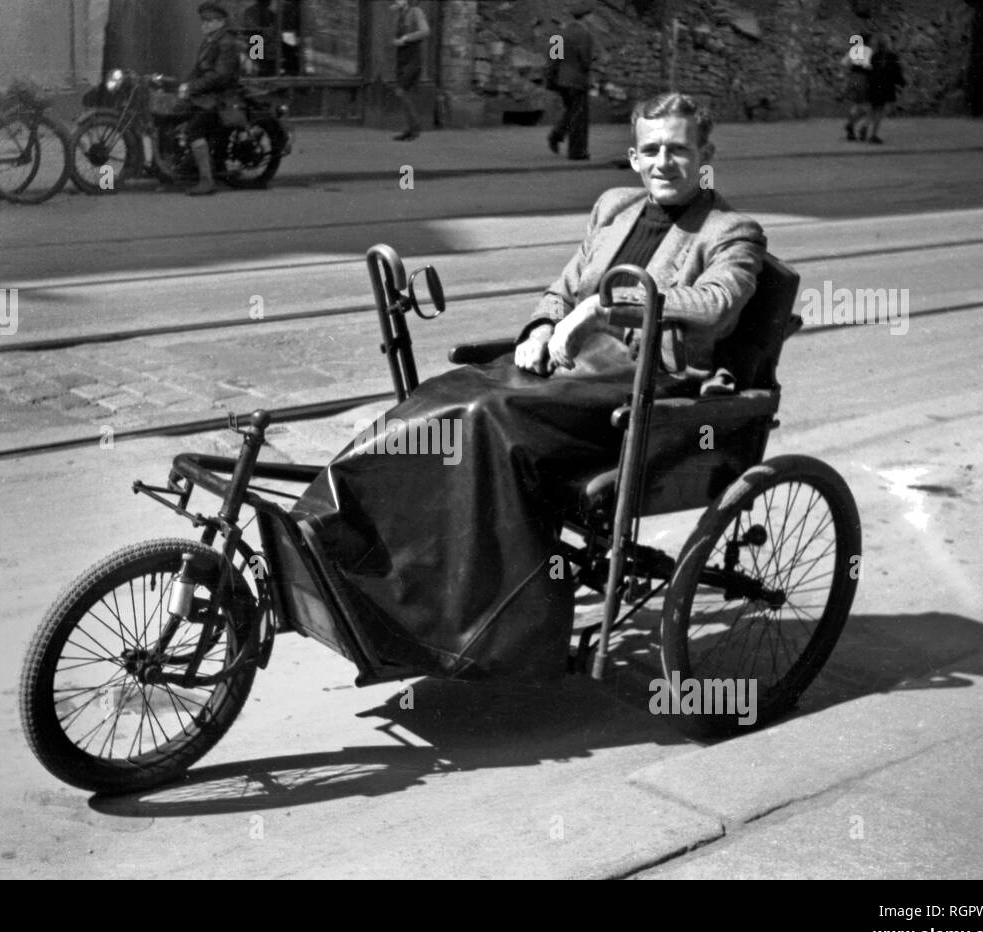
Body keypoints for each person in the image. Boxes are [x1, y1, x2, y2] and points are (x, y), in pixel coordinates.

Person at [294, 92, 766, 681]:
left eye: (679, 149)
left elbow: (717, 304)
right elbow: (561, 289)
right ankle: (338, 536)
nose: (664, 162)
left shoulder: (729, 231)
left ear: (706, 154)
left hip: (640, 385)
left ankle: (489, 627)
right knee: (448, 394)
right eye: (652, 150)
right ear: (634, 158)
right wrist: (543, 326)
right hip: (567, 366)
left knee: (484, 412)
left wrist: (602, 308)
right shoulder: (615, 208)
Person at [182, 2, 242, 196]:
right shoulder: (210, 41)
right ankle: (188, 163)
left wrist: (192, 87)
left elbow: (220, 76)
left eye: (209, 21)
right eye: (203, 21)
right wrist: (182, 85)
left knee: (194, 129)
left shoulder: (226, 43)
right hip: (208, 95)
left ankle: (207, 181)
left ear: (221, 22)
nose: (204, 25)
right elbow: (198, 71)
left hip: (221, 99)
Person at [546, 0, 594, 161]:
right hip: (578, 80)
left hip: (562, 80)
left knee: (571, 111)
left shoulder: (559, 33)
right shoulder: (585, 34)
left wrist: (552, 78)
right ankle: (577, 152)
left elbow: (553, 58)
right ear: (586, 17)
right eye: (590, 16)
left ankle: (556, 134)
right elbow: (586, 60)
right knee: (579, 117)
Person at [390, 0, 430, 141]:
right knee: (405, 93)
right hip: (402, 57)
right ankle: (410, 129)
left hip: (413, 57)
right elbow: (395, 35)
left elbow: (425, 31)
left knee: (401, 91)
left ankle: (415, 128)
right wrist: (397, 41)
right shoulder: (398, 14)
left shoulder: (416, 12)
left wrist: (406, 38)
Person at [863, 34, 905, 144]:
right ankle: (873, 135)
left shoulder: (874, 56)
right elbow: (897, 72)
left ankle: (865, 125)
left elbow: (868, 72)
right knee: (881, 111)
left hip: (874, 86)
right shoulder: (892, 57)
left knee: (874, 108)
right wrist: (902, 83)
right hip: (886, 87)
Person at [841, 31, 874, 141]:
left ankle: (851, 126)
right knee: (868, 106)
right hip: (864, 79)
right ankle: (857, 126)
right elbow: (869, 65)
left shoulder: (854, 50)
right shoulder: (869, 51)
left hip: (853, 78)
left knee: (856, 104)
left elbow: (844, 63)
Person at [241, 0, 279, 77]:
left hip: (269, 49)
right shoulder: (251, 12)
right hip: (255, 44)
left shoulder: (272, 14)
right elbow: (251, 29)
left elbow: (276, 29)